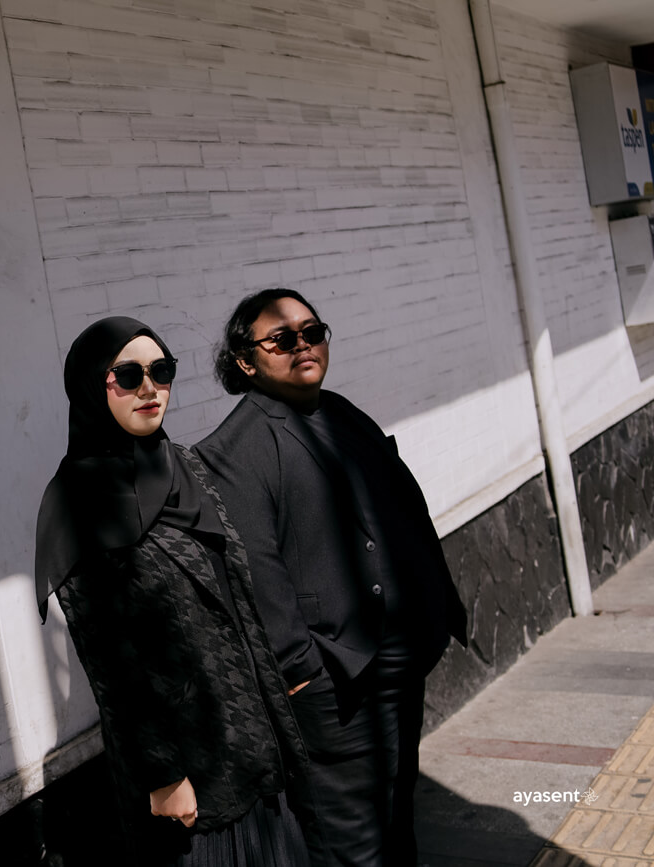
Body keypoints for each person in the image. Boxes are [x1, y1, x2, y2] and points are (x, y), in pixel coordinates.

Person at [35, 315, 322, 866]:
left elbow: (234, 594)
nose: (150, 388)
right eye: (128, 375)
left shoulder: (183, 465)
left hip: (250, 732)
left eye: (161, 371)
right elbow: (110, 660)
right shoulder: (78, 501)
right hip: (188, 763)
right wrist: (163, 774)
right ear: (92, 387)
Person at [194, 289, 468, 866]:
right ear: (246, 361)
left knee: (397, 823)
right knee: (352, 847)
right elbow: (256, 578)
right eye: (282, 339)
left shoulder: (342, 412)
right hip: (337, 685)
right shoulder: (235, 448)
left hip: (399, 661)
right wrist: (303, 677)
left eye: (312, 332)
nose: (303, 345)